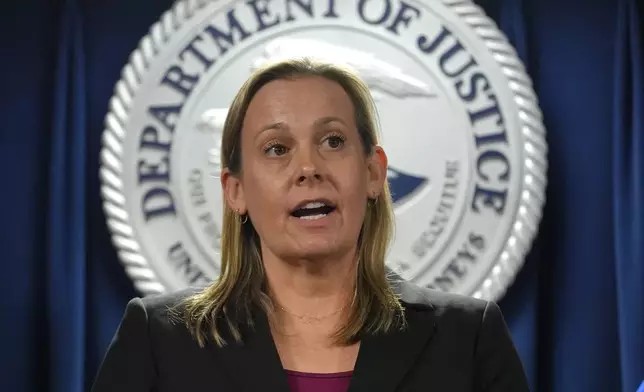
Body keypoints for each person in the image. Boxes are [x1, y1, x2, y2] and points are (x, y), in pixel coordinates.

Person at [91, 58, 530, 392]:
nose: (308, 167)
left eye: (333, 141)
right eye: (277, 148)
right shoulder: (158, 339)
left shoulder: (468, 339)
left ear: (374, 172)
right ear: (236, 190)